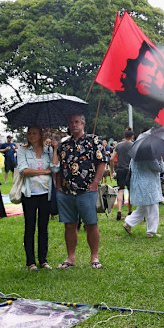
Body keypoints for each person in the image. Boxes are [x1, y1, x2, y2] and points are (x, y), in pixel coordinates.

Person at [55, 114, 107, 269]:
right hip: (65, 191)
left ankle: (94, 257)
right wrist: (58, 185)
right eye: (71, 122)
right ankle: (70, 257)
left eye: (77, 122)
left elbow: (102, 162)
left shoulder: (93, 140)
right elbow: (58, 166)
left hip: (86, 190)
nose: (74, 125)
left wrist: (95, 183)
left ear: (83, 123)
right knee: (69, 225)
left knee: (91, 223)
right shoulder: (64, 145)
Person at [17, 126, 60, 270]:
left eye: (34, 133)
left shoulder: (48, 150)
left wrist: (54, 149)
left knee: (43, 227)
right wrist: (44, 171)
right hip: (29, 194)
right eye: (29, 133)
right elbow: (24, 170)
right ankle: (31, 262)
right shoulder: (22, 150)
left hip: (45, 193)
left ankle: (43, 260)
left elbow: (54, 168)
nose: (31, 135)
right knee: (29, 227)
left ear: (41, 134)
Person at [118, 41, 164, 118]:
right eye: (148, 64)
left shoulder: (158, 114)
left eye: (161, 72)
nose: (153, 75)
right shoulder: (120, 97)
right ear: (136, 65)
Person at [122, 157, 164, 238]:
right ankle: (151, 232)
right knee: (153, 208)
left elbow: (131, 167)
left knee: (144, 207)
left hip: (138, 183)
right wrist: (160, 160)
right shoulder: (150, 157)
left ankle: (128, 223)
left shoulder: (134, 157)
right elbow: (160, 168)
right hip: (149, 185)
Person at [111, 128, 134, 220]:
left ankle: (119, 210)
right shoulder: (133, 145)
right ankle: (129, 211)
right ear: (132, 136)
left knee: (120, 190)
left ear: (124, 135)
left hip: (120, 170)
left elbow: (112, 158)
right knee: (130, 191)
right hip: (130, 170)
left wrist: (112, 170)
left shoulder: (118, 145)